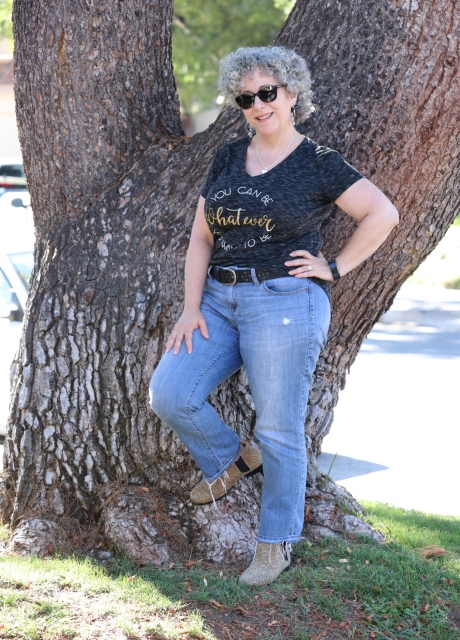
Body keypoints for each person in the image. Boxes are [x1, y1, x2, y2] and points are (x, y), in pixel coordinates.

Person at [149, 46, 398, 586]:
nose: (259, 105)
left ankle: (275, 543)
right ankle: (230, 459)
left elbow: (383, 213)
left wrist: (335, 266)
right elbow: (200, 238)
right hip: (219, 299)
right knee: (170, 393)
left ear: (291, 93)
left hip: (285, 302)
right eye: (246, 98)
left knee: (280, 430)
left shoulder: (319, 161)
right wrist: (191, 308)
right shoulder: (227, 157)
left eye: (268, 92)